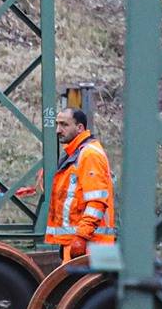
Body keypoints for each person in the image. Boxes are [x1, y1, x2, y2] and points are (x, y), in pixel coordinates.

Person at [20, 108, 115, 260]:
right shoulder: (75, 154)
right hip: (81, 244)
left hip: (91, 246)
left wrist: (82, 236)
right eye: (57, 124)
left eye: (64, 125)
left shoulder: (89, 155)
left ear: (80, 128)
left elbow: (97, 202)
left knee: (87, 285)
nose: (58, 130)